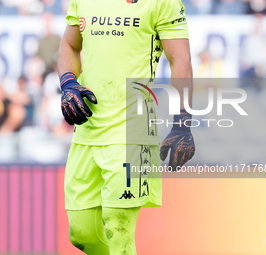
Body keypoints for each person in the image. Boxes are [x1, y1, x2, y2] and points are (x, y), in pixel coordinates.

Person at [57, 0, 195, 253]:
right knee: (81, 234)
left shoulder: (163, 2)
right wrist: (67, 81)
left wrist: (182, 123)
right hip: (87, 128)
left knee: (117, 227)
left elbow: (181, 61)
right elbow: (69, 44)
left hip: (133, 131)